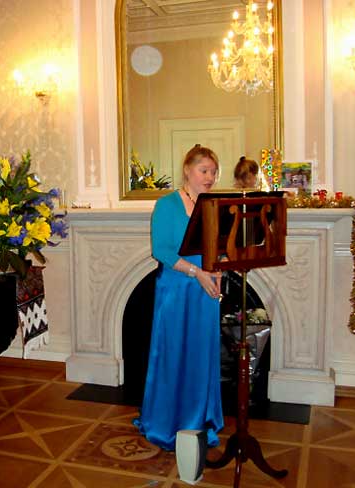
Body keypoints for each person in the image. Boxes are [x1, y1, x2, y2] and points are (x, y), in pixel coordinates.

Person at [134, 144, 224, 450]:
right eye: (204, 170)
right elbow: (161, 250)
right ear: (188, 170)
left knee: (202, 353)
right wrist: (196, 273)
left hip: (205, 289)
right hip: (176, 287)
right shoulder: (167, 205)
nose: (210, 177)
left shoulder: (213, 205)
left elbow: (219, 244)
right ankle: (165, 422)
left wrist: (217, 270)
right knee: (172, 353)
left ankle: (199, 421)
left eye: (213, 171)